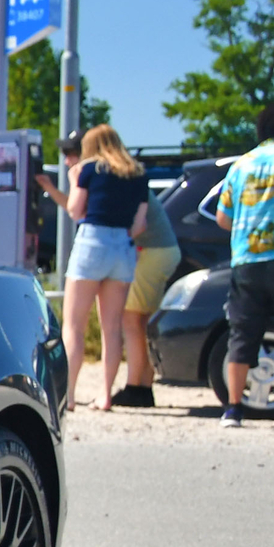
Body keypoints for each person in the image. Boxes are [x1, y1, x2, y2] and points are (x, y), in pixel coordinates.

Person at [38, 124, 153, 411]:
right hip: (122, 247)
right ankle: (105, 395)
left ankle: (70, 395)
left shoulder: (89, 169)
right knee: (112, 327)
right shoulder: (137, 173)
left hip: (93, 242)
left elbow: (76, 211)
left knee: (74, 324)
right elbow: (140, 225)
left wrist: (73, 180)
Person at [211, 102, 274, 427]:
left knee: (241, 332)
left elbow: (222, 218)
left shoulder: (241, 165)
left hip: (246, 261)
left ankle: (233, 408)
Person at [110, 173, 182, 407]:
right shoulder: (132, 181)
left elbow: (136, 226)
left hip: (152, 252)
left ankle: (135, 388)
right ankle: (143, 386)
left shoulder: (121, 185)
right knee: (143, 323)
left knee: (131, 321)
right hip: (163, 252)